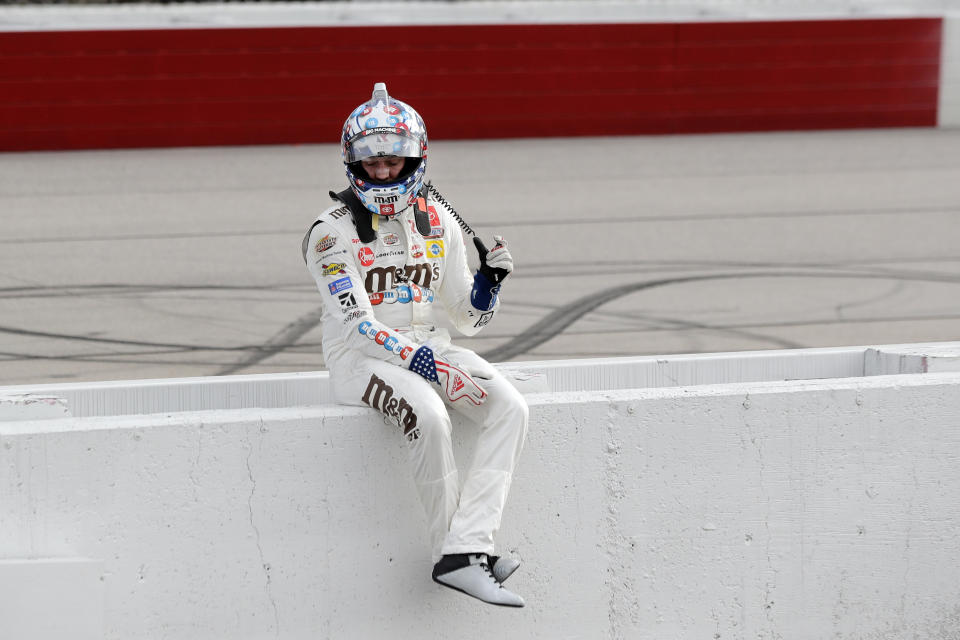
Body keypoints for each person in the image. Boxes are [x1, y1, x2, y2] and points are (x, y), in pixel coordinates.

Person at [302, 83, 529, 607]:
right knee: (428, 414)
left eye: (392, 161)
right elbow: (356, 323)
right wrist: (416, 361)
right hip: (359, 360)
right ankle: (455, 557)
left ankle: (467, 545)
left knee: (510, 407)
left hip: (431, 348)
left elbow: (469, 322)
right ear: (352, 162)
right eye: (371, 161)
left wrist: (488, 285)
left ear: (416, 159)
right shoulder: (328, 231)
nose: (382, 172)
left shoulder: (439, 221)